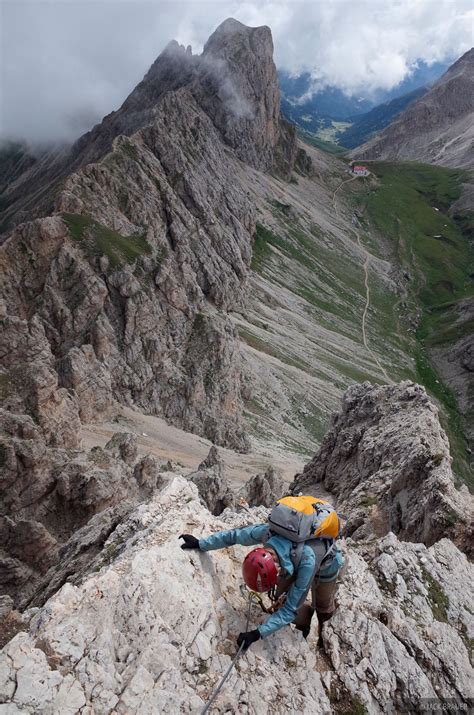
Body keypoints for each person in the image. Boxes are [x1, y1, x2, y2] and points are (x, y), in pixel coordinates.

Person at [179, 520, 344, 650]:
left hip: (327, 566)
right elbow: (234, 536)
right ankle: (304, 623)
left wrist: (258, 634)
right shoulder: (267, 533)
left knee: (322, 605)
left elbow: (290, 609)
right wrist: (201, 544)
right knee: (283, 600)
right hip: (294, 559)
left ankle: (324, 639)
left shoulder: (307, 561)